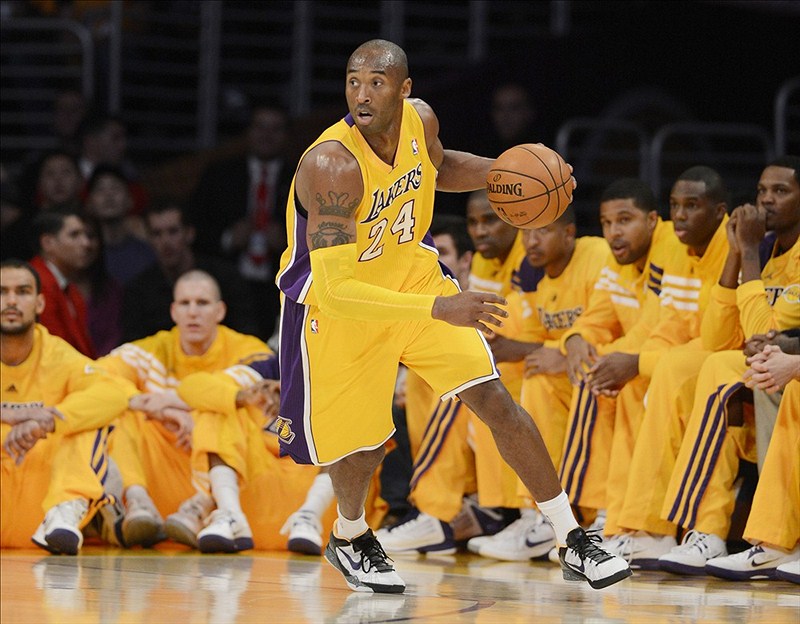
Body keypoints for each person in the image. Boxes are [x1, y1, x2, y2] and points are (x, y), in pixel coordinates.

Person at [274, 39, 631, 593]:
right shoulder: (332, 165)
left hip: (414, 279)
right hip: (342, 306)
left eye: (376, 83)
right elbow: (338, 290)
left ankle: (571, 538)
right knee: (365, 446)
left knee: (496, 401)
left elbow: (439, 168)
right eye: (353, 82)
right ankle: (350, 534)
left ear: (405, 89)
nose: (362, 95)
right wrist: (443, 307)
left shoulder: (420, 122)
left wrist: (513, 176)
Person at [653, 158, 800, 577]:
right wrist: (737, 254)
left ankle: (774, 535)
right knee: (718, 363)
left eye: (780, 191)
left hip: (786, 368)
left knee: (743, 371)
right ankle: (707, 531)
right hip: (773, 364)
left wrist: (749, 253)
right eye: (761, 191)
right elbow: (718, 336)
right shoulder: (764, 249)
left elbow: (764, 331)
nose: (766, 200)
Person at [468, 207, 609, 562]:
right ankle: (534, 514)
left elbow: (608, 323)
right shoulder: (539, 275)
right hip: (574, 367)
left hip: (605, 361)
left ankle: (602, 517)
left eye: (542, 232)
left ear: (569, 233)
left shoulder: (597, 257)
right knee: (495, 384)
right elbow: (537, 339)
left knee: (580, 381)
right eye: (527, 233)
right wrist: (531, 350)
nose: (531, 241)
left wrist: (561, 350)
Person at [100, 270, 272, 552]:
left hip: (228, 468)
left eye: (202, 303)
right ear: (173, 311)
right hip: (163, 466)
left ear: (220, 311)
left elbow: (252, 394)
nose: (193, 312)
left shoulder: (247, 348)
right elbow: (97, 375)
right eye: (185, 303)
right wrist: (161, 411)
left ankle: (204, 507)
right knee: (119, 411)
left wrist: (191, 413)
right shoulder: (154, 349)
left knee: (222, 409)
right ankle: (137, 501)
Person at [557, 178, 683, 543]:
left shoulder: (672, 247)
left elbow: (657, 326)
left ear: (652, 220)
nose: (614, 232)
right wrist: (576, 339)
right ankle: (606, 515)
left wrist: (610, 359)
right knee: (594, 377)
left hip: (672, 357)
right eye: (607, 223)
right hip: (646, 357)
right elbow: (597, 317)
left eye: (624, 220)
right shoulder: (619, 261)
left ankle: (631, 521)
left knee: (608, 382)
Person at [0, 259, 128, 554]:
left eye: (22, 291)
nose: (11, 301)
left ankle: (64, 511)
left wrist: (47, 422)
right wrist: (11, 415)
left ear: (40, 303)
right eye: (2, 292)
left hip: (39, 501)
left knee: (90, 422)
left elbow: (113, 394)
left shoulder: (57, 354)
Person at [189, 103, 294, 342]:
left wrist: (289, 242)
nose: (267, 135)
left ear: (287, 135)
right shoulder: (220, 175)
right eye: (260, 127)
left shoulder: (300, 176)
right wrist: (228, 238)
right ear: (248, 131)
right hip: (228, 281)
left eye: (275, 129)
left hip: (279, 286)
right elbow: (195, 228)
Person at [121, 200, 259, 342]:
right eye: (157, 234)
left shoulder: (226, 277)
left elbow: (248, 335)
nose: (165, 241)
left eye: (173, 231)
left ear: (189, 233)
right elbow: (132, 345)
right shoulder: (139, 289)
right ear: (148, 239)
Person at [28, 208, 96, 357]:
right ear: (48, 243)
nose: (86, 243)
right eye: (74, 235)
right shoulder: (36, 284)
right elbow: (54, 351)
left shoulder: (68, 287)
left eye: (86, 235)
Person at [84, 164, 156, 285]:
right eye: (100, 189)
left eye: (115, 188)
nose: (108, 196)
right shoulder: (85, 254)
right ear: (89, 203)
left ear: (130, 200)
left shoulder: (147, 253)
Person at [73, 216, 124, 356]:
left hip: (107, 364)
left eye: (91, 236)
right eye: (75, 236)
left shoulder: (111, 290)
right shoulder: (49, 287)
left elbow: (115, 336)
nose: (86, 243)